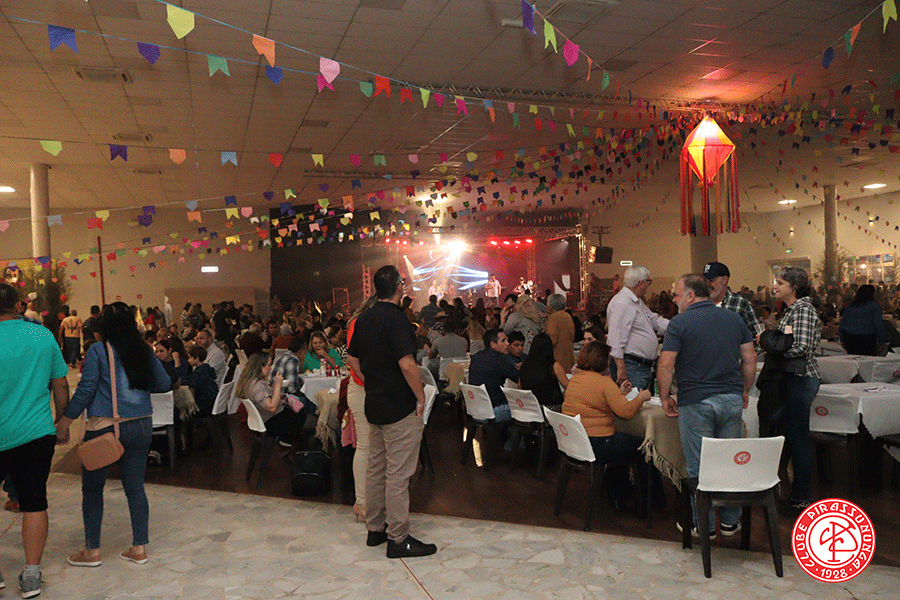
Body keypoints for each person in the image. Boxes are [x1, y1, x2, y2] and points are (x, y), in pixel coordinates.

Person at [58, 302, 171, 569]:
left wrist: (64, 422)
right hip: (141, 425)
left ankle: (92, 551)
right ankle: (139, 548)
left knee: (93, 489)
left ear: (104, 326)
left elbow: (86, 390)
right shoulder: (144, 350)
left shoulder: (98, 351)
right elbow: (164, 383)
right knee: (135, 487)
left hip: (106, 428)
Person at [346, 265, 435, 559]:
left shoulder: (364, 318)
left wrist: (372, 380)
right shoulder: (397, 318)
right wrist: (420, 396)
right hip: (398, 405)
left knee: (376, 468)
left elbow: (352, 359)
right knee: (398, 474)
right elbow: (407, 364)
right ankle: (398, 538)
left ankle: (375, 529)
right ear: (399, 287)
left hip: (374, 403)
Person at [656, 275, 756, 537]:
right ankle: (730, 521)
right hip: (731, 398)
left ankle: (704, 525)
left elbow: (666, 364)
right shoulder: (734, 319)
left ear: (690, 295)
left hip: (696, 400)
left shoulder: (679, 323)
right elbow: (749, 358)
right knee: (729, 461)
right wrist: (745, 389)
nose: (674, 299)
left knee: (699, 466)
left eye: (677, 294)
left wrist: (665, 396)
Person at [0, 283, 70, 598]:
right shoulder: (41, 335)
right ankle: (31, 574)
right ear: (18, 305)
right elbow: (60, 385)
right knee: (34, 502)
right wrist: (62, 423)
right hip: (35, 432)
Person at [563, 342, 649, 501]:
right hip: (598, 444)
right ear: (602, 361)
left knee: (622, 442)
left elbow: (597, 400)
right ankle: (646, 501)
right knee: (645, 448)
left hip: (577, 442)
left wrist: (619, 393)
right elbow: (626, 412)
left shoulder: (576, 379)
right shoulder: (604, 382)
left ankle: (619, 494)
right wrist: (641, 397)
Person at [766, 267, 822, 510]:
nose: (775, 286)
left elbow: (801, 346)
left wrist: (771, 346)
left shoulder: (803, 310)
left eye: (780, 282)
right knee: (792, 435)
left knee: (799, 437)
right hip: (793, 376)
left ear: (795, 286)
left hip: (802, 377)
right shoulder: (792, 309)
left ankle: (801, 497)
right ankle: (794, 492)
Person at [606, 266, 669, 390]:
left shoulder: (635, 301)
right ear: (641, 283)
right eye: (648, 282)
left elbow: (654, 321)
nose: (648, 286)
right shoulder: (623, 303)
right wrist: (621, 368)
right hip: (631, 366)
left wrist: (679, 325)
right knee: (633, 400)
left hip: (638, 366)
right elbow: (615, 340)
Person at [345, 294, 379, 523]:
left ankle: (368, 501)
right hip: (362, 388)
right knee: (366, 447)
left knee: (373, 448)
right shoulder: (359, 323)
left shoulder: (361, 322)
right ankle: (362, 502)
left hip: (368, 387)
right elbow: (353, 360)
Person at [236, 350, 313, 438]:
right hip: (273, 420)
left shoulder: (250, 382)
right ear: (259, 366)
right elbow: (272, 407)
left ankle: (297, 441)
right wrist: (278, 385)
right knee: (314, 423)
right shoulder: (257, 386)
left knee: (307, 416)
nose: (271, 368)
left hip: (270, 417)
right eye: (269, 365)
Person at [468, 328, 520, 422]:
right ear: (493, 344)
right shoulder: (501, 359)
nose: (508, 343)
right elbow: (519, 378)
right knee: (524, 409)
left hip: (475, 410)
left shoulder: (476, 357)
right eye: (503, 341)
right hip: (495, 410)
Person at [703, 262, 763, 337]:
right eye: (705, 281)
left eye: (711, 280)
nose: (707, 285)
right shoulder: (700, 303)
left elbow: (758, 335)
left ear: (724, 280)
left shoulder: (741, 303)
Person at [519, 332, 568, 411]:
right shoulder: (553, 366)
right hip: (552, 410)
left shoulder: (524, 366)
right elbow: (569, 387)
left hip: (531, 409)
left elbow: (520, 388)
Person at [838, 284, 886, 355]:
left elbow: (843, 323)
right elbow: (878, 324)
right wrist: (882, 341)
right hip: (867, 338)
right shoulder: (874, 306)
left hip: (850, 338)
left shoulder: (851, 306)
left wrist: (842, 339)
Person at [183, 347, 219, 416]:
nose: (188, 360)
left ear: (197, 358)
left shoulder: (199, 372)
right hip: (211, 399)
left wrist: (181, 380)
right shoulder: (206, 368)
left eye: (190, 358)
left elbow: (193, 382)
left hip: (204, 402)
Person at [545, 294, 575, 372]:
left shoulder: (553, 318)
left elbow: (551, 339)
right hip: (569, 358)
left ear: (551, 307)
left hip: (557, 361)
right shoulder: (568, 316)